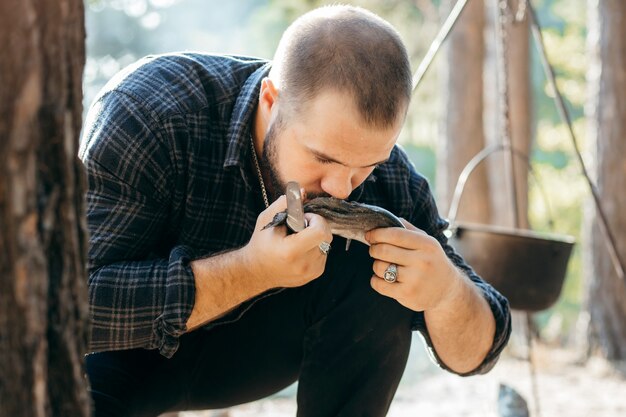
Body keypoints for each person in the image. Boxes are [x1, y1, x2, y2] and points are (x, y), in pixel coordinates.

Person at [80, 5, 511, 417]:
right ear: (271, 99)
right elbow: (69, 306)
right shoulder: (149, 112)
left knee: (385, 259)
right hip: (119, 356)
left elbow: (478, 352)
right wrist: (250, 270)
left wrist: (445, 294)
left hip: (255, 357)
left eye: (366, 166)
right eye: (322, 158)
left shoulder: (383, 174)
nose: (341, 188)